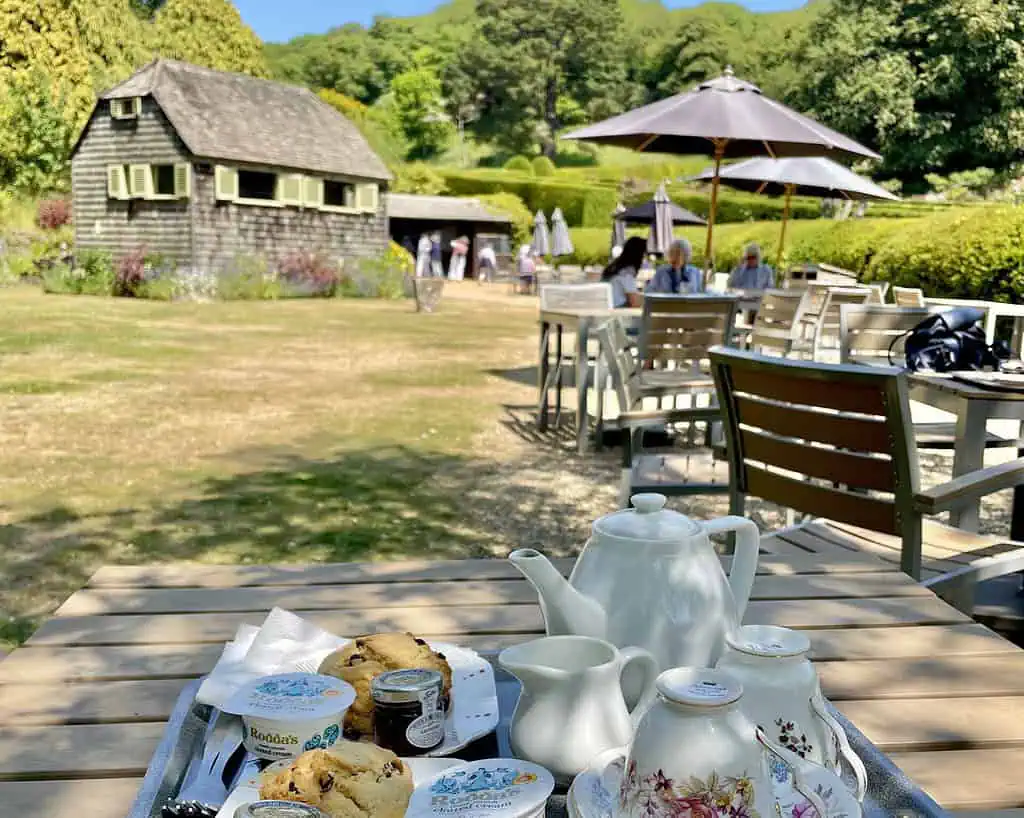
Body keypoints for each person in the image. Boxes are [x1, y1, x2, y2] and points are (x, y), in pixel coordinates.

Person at [601, 235, 647, 308]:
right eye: (644, 254)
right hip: (618, 313)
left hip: (607, 309)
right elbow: (634, 303)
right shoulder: (626, 272)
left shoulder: (614, 267)